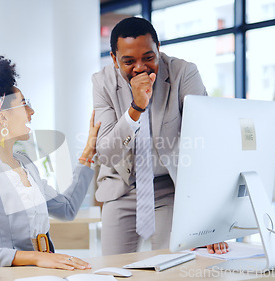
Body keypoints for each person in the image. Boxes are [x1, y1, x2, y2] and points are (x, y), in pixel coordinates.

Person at [0, 55, 100, 270]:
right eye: (24, 104)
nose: (31, 112)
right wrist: (33, 257)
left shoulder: (25, 164)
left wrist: (89, 150)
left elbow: (67, 209)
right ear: (2, 116)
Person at [93, 17, 228, 255]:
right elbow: (106, 153)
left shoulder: (183, 73)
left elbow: (207, 143)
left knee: (171, 266)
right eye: (128, 61)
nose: (140, 68)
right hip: (122, 187)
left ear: (158, 49)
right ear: (114, 59)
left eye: (148, 57)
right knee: (114, 271)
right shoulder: (102, 82)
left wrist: (210, 218)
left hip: (170, 186)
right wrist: (136, 107)